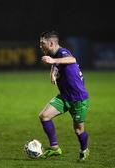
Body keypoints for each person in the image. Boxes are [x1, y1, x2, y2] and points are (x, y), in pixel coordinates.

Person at [39, 30, 89, 161]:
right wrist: (53, 72)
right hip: (64, 96)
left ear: (50, 43)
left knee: (79, 130)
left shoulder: (63, 53)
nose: (40, 46)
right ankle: (55, 148)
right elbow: (57, 64)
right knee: (44, 116)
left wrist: (52, 61)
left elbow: (72, 59)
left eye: (42, 43)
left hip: (78, 98)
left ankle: (84, 149)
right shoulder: (56, 55)